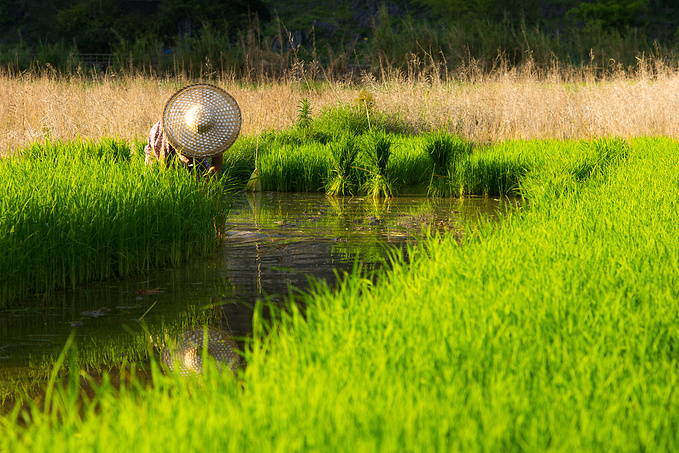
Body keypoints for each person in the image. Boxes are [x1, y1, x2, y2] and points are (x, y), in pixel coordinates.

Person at [144, 83, 241, 178]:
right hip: (162, 148)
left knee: (200, 175)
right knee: (156, 176)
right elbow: (164, 165)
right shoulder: (170, 131)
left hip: (192, 155)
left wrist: (209, 181)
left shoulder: (210, 125)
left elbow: (217, 162)